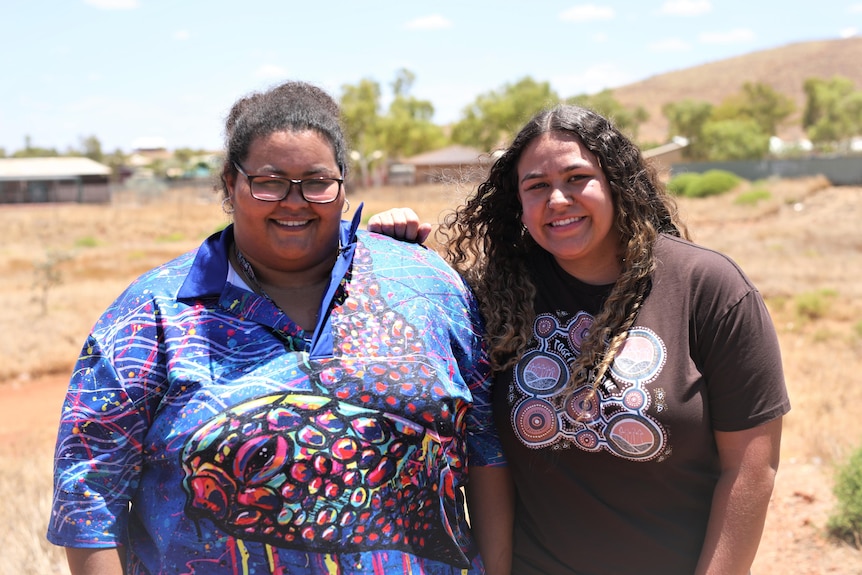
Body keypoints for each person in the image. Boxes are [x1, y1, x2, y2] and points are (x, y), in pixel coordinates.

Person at [47, 80, 506, 575]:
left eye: (316, 181)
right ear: (230, 182)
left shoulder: (426, 286)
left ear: (344, 182)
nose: (294, 202)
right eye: (268, 182)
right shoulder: (151, 317)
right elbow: (89, 496)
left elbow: (487, 451)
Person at [369, 104, 790, 575]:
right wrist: (390, 248)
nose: (558, 200)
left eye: (576, 178)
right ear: (519, 204)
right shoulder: (498, 295)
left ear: (616, 183)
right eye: (536, 186)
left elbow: (750, 470)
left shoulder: (706, 287)